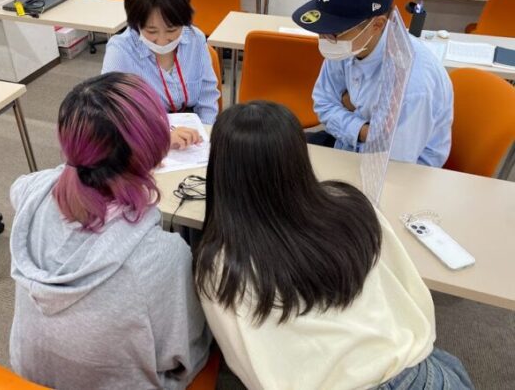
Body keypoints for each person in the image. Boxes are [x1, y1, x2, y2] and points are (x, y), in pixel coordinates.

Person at [194, 101, 473, 389]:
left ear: (221, 169)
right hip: (427, 374)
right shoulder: (353, 206)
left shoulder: (222, 265)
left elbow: (248, 366)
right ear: (299, 156)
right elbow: (408, 293)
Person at [9, 72, 210, 389]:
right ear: (152, 150)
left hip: (29, 376)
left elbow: (33, 182)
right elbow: (180, 353)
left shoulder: (30, 192)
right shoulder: (161, 256)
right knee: (212, 333)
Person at [292, 0, 453, 167]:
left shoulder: (413, 84)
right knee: (279, 155)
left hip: (399, 172)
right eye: (322, 28)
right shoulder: (350, 43)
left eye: (334, 31)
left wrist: (348, 105)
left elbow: (390, 161)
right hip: (348, 147)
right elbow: (323, 103)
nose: (324, 38)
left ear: (377, 25)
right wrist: (363, 129)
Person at [102, 0, 220, 127]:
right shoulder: (120, 51)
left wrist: (204, 131)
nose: (162, 41)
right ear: (136, 24)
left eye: (171, 30)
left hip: (193, 128)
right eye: (152, 31)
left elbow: (208, 97)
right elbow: (113, 112)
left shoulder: (195, 39)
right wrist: (166, 135)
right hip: (146, 131)